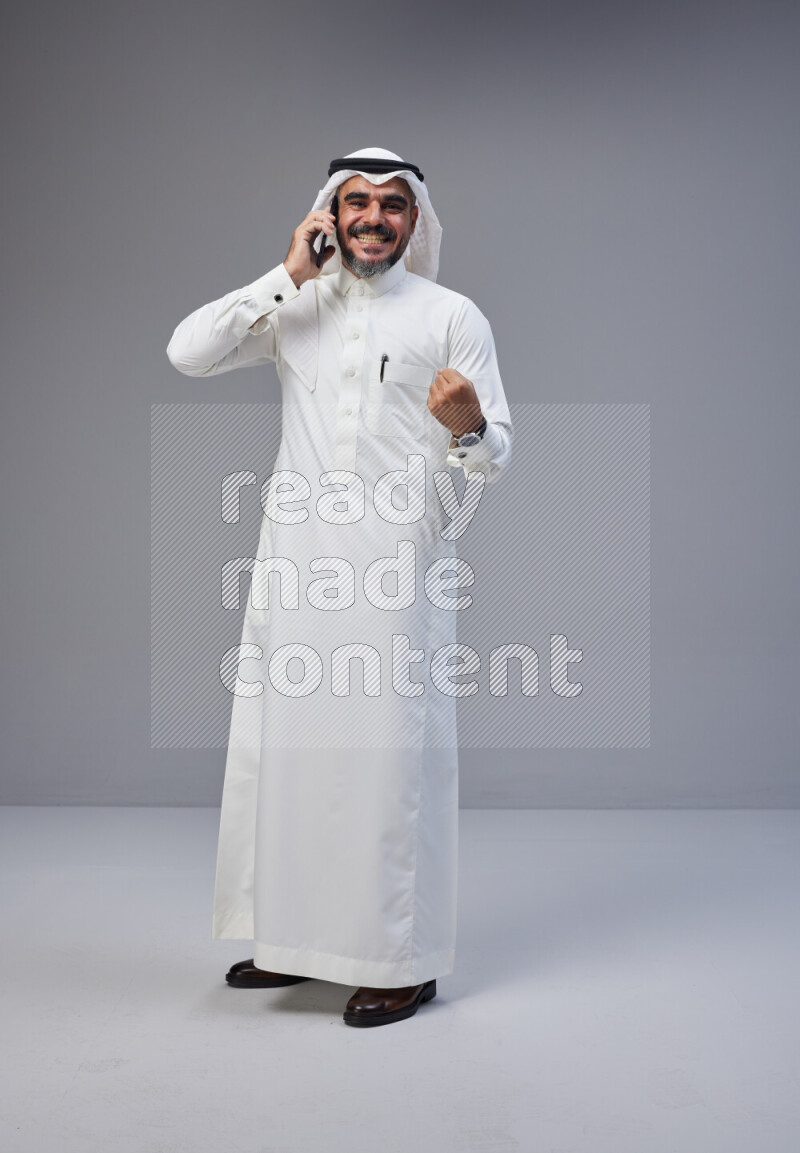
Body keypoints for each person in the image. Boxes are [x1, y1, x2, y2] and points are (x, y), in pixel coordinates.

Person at [166, 147, 513, 1027]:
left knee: (387, 763)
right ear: (329, 212)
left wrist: (469, 425)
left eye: (392, 205)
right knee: (291, 755)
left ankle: (399, 958)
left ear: (416, 221)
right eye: (355, 202)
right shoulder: (298, 305)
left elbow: (495, 454)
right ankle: (293, 941)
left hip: (397, 566)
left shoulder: (451, 314)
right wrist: (285, 271)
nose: (372, 218)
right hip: (296, 566)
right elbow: (187, 352)